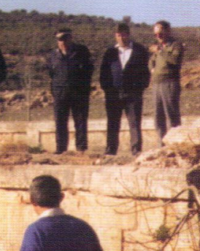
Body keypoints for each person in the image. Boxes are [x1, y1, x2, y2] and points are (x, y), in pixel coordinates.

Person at [99, 23, 151, 155]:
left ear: (128, 34)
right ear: (115, 36)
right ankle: (110, 151)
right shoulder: (110, 52)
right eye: (118, 35)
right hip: (114, 95)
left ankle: (136, 150)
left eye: (123, 34)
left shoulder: (139, 50)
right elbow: (103, 73)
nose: (121, 37)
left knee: (134, 124)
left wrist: (139, 89)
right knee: (112, 124)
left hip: (133, 95)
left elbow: (146, 72)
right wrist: (108, 90)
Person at [46, 29, 95, 154]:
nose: (62, 42)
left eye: (64, 39)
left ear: (70, 38)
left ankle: (81, 148)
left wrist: (84, 88)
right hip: (60, 93)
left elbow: (89, 71)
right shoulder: (53, 55)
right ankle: (61, 148)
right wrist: (55, 91)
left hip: (79, 92)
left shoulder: (82, 52)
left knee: (80, 121)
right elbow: (51, 74)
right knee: (60, 122)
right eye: (59, 40)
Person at [149, 20, 184, 143]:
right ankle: (161, 144)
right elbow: (151, 60)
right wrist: (152, 68)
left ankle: (175, 143)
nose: (158, 36)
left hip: (170, 83)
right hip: (157, 84)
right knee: (158, 117)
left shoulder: (175, 45)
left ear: (168, 31)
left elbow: (174, 60)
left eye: (160, 34)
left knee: (171, 115)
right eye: (156, 34)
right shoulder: (159, 47)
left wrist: (160, 51)